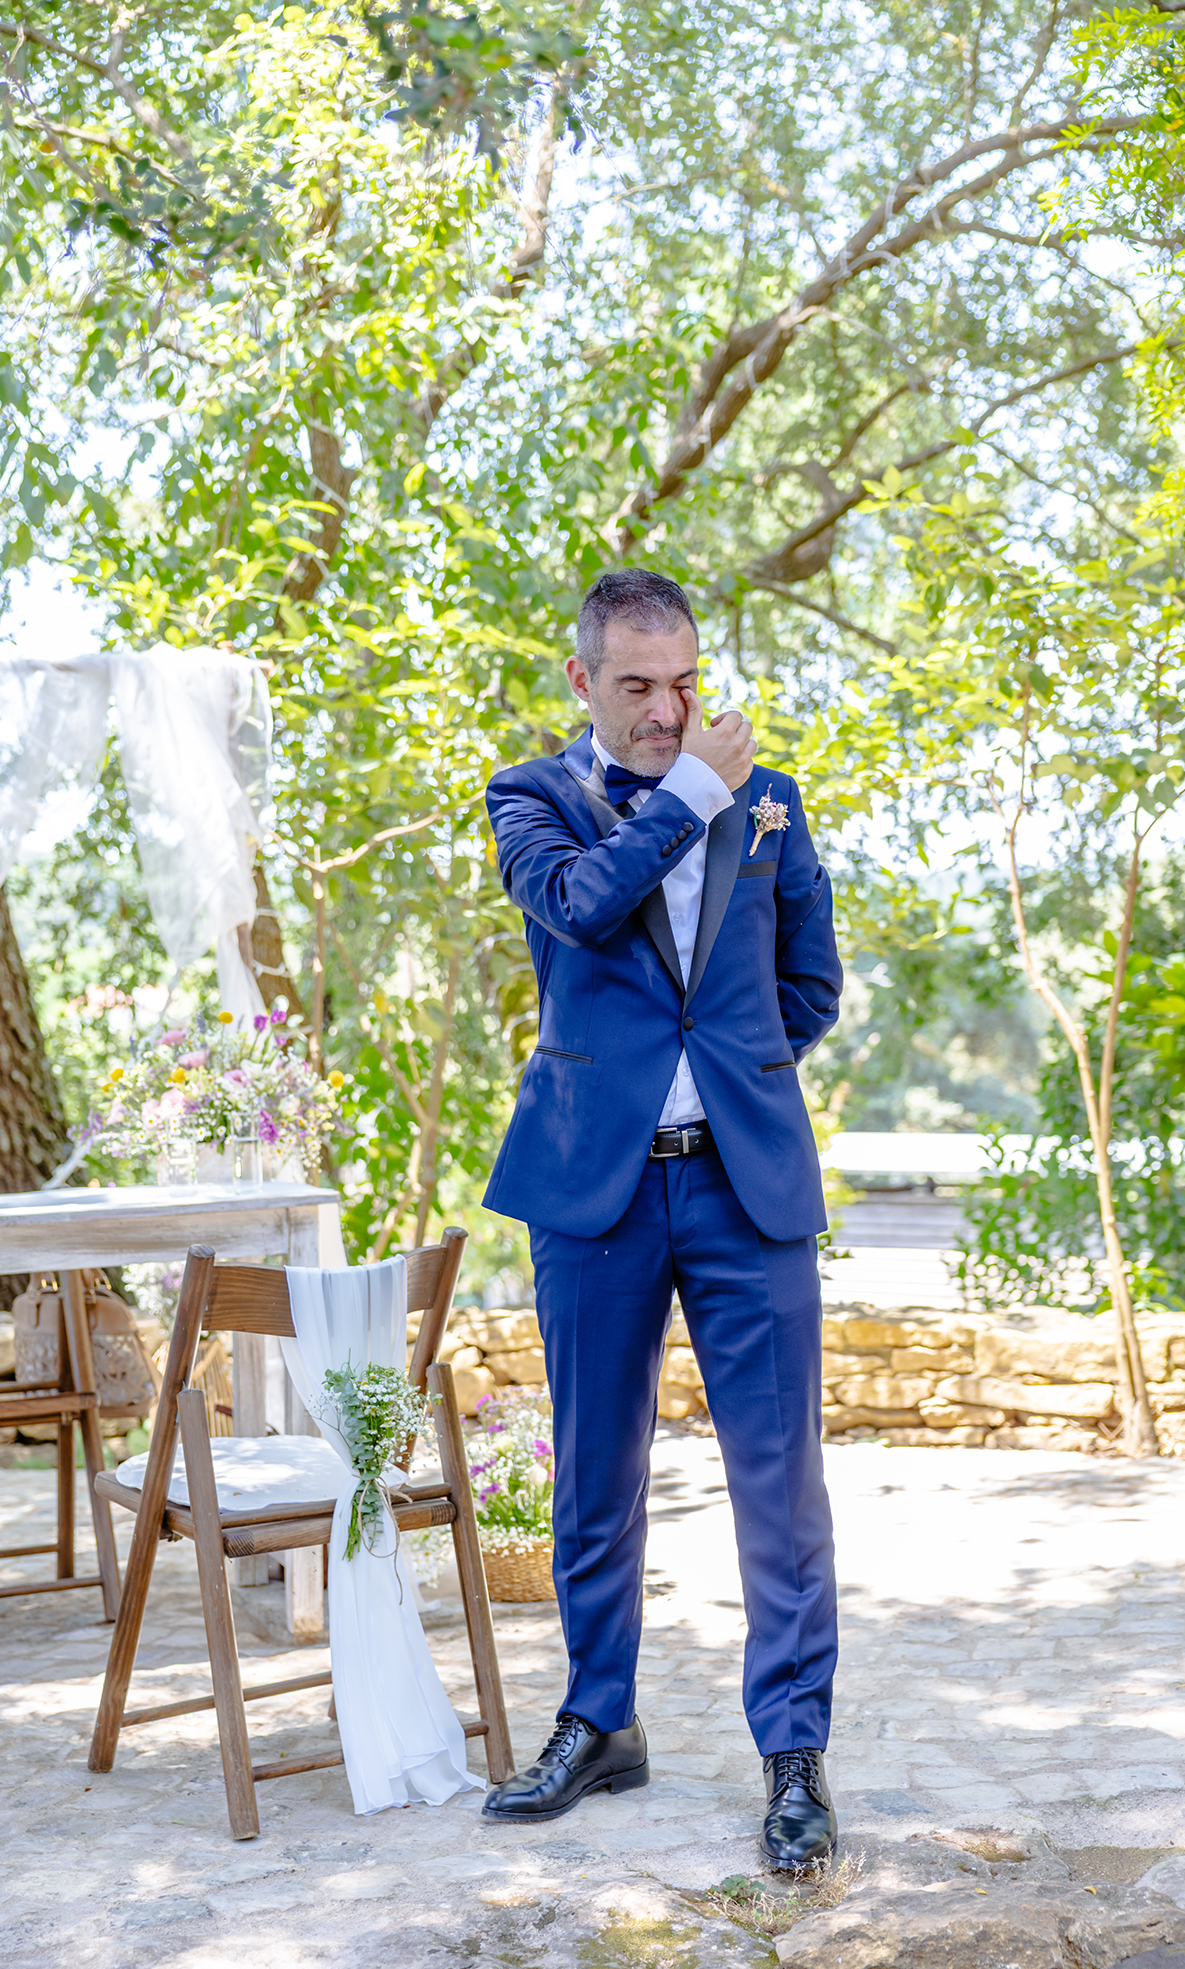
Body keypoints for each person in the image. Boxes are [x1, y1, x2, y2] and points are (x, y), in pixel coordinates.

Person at [478, 568, 843, 1870]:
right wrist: (691, 795)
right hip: (595, 1187)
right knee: (595, 1471)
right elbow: (578, 906)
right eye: (637, 685)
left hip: (746, 1186)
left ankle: (792, 1753)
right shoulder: (531, 798)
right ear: (583, 681)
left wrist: (732, 1075)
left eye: (684, 683)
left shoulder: (772, 802)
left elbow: (809, 987)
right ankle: (600, 1723)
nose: (667, 709)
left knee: (779, 1484)